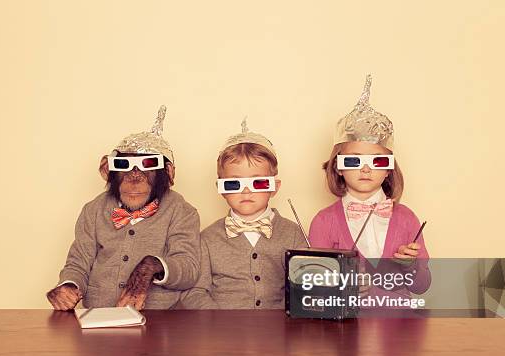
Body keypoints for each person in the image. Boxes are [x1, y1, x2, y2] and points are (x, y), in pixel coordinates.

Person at [46, 106, 200, 311]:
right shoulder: (94, 210)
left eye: (145, 169)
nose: (134, 179)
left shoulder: (181, 211)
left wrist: (152, 265)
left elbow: (189, 268)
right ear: (109, 171)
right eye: (125, 167)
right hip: (98, 315)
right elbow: (78, 262)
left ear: (167, 174)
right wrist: (68, 286)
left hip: (158, 320)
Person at [309, 76, 430, 296]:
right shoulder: (323, 222)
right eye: (354, 161)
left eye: (378, 161)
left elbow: (422, 286)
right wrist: (342, 287)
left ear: (389, 170)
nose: (366, 169)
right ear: (338, 167)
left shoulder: (407, 219)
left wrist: (410, 265)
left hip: (400, 325)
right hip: (343, 328)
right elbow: (315, 287)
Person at [181, 119, 307, 309]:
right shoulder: (207, 239)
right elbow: (196, 292)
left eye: (258, 183)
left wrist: (282, 321)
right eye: (234, 184)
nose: (246, 192)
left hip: (278, 331)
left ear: (275, 187)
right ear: (221, 189)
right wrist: (219, 323)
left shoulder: (294, 233)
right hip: (224, 333)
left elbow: (302, 286)